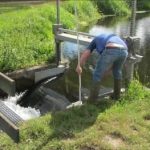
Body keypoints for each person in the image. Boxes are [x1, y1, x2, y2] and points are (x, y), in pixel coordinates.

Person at [76, 33, 128, 103]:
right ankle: (117, 96)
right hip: (124, 50)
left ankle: (92, 101)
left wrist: (79, 66)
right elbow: (113, 63)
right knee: (117, 71)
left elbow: (86, 53)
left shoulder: (94, 41)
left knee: (97, 74)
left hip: (111, 48)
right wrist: (106, 72)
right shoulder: (110, 37)